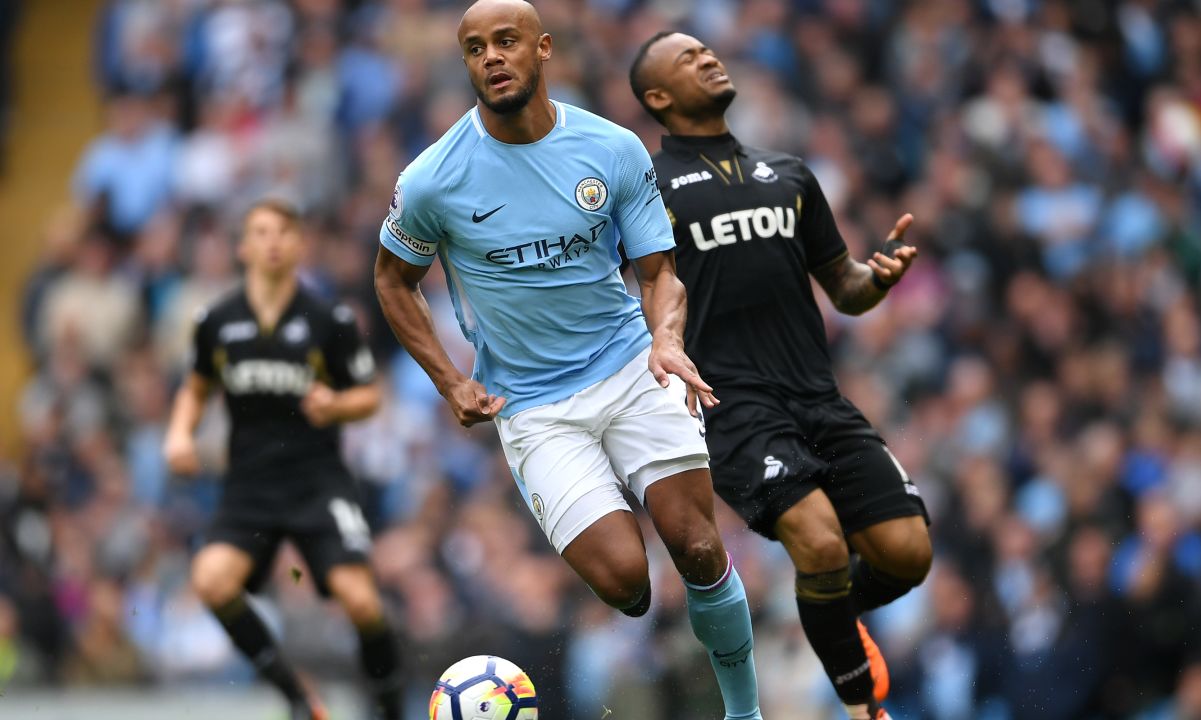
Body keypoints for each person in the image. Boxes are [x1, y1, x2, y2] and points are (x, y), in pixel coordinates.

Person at [372, 2, 764, 719]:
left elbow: (658, 271)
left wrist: (668, 340)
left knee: (699, 548)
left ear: (543, 49)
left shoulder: (611, 149)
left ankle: (745, 714)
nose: (490, 57)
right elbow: (392, 281)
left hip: (628, 364)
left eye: (506, 42)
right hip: (534, 408)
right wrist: (451, 380)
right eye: (474, 48)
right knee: (628, 587)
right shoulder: (432, 180)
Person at [630, 31, 934, 720]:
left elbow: (845, 287)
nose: (708, 57)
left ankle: (829, 615)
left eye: (708, 51)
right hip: (732, 408)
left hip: (817, 397)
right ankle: (864, 707)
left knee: (907, 552)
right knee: (821, 540)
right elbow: (643, 287)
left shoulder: (789, 173)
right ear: (658, 97)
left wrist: (877, 277)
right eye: (688, 58)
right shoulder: (647, 187)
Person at [164, 199, 403, 720]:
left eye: (283, 232)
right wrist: (180, 434)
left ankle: (388, 706)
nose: (272, 241)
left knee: (362, 603)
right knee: (210, 580)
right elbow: (195, 387)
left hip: (317, 481)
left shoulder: (329, 319)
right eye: (261, 232)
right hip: (248, 487)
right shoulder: (218, 321)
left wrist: (336, 403)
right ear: (243, 247)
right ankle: (296, 697)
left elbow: (369, 396)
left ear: (299, 246)